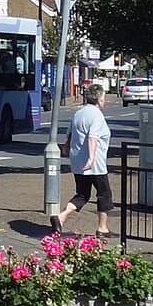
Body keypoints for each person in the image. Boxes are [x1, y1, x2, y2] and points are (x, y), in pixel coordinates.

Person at [53, 82, 114, 236]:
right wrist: (92, 158)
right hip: (95, 163)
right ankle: (102, 228)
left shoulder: (78, 113)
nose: (104, 101)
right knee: (104, 194)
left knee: (82, 194)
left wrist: (66, 148)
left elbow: (70, 133)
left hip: (78, 161)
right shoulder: (96, 115)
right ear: (99, 98)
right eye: (103, 98)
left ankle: (61, 216)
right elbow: (93, 137)